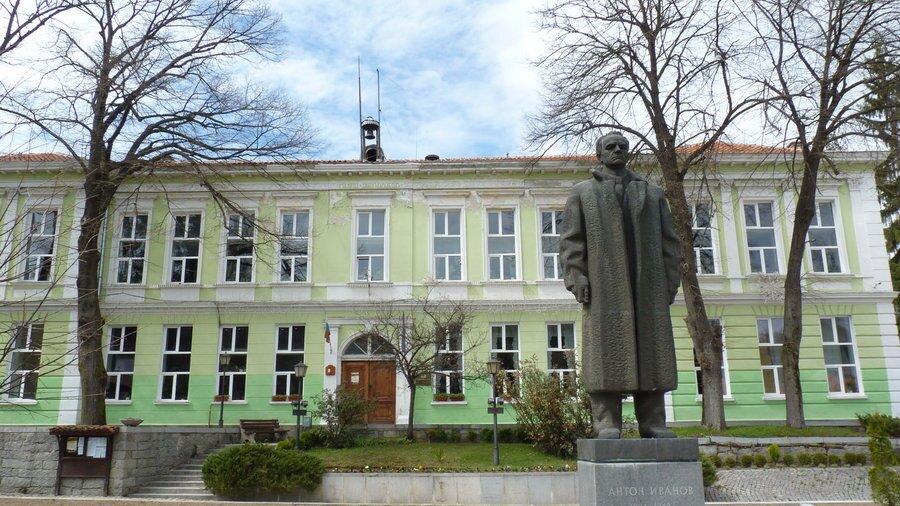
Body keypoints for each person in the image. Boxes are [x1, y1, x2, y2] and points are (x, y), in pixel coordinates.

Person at [559, 131, 682, 439]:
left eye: (622, 147)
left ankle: (653, 423)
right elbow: (571, 242)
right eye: (610, 146)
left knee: (652, 354)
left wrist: (669, 282)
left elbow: (670, 243)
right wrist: (577, 277)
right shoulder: (582, 193)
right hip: (604, 286)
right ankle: (606, 422)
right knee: (605, 354)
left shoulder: (652, 193)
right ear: (599, 154)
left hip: (648, 285)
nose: (617, 150)